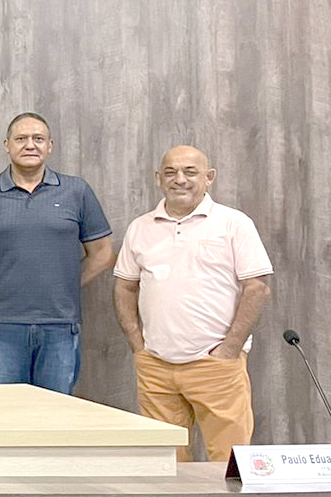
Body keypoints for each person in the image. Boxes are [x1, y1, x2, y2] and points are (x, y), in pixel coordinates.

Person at [112, 145, 272, 465]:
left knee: (229, 463)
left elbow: (257, 288)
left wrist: (229, 349)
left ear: (209, 177)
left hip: (215, 364)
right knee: (165, 464)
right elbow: (125, 287)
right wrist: (138, 347)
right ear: (158, 178)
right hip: (156, 366)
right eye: (170, 172)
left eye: (190, 172)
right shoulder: (140, 228)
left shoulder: (234, 223)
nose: (180, 179)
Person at [0, 112, 113, 393]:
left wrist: (65, 284)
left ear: (50, 146)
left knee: (56, 409)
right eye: (21, 139)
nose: (30, 145)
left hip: (60, 325)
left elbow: (102, 252)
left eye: (38, 139)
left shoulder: (76, 191)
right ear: (7, 145)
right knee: (7, 409)